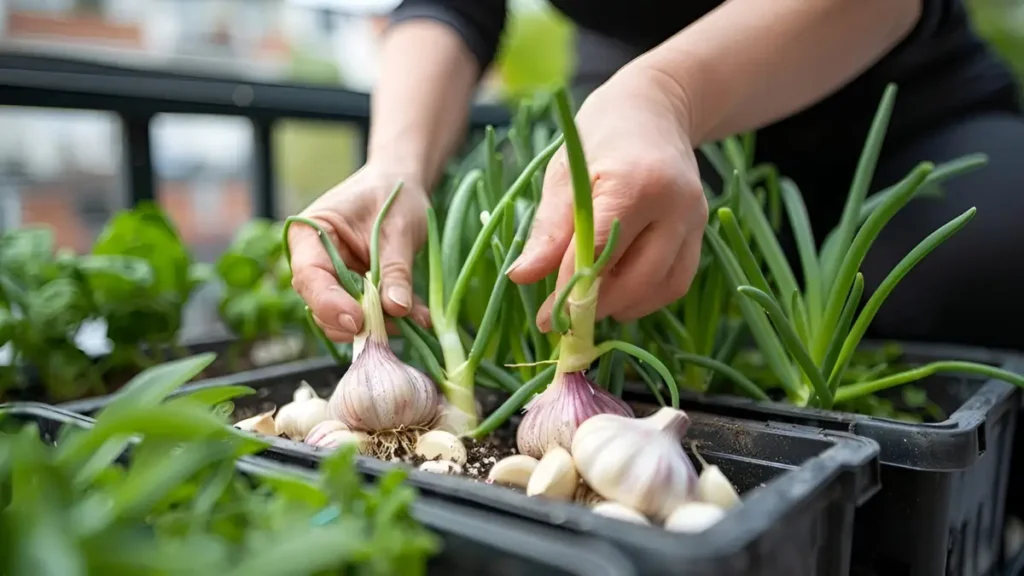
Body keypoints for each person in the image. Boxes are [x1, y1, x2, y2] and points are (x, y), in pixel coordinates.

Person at [287, 0, 1024, 351]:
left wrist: (668, 95)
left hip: (902, 117)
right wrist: (396, 167)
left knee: (982, 261)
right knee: (625, 314)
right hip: (627, 122)